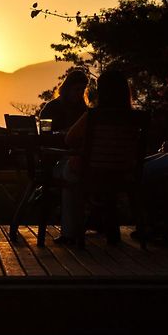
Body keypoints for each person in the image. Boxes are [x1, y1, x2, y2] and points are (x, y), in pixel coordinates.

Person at [53, 70, 133, 245]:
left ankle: (69, 232)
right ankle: (100, 224)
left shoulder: (94, 115)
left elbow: (70, 138)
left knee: (66, 173)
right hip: (123, 174)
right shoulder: (134, 118)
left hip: (92, 173)